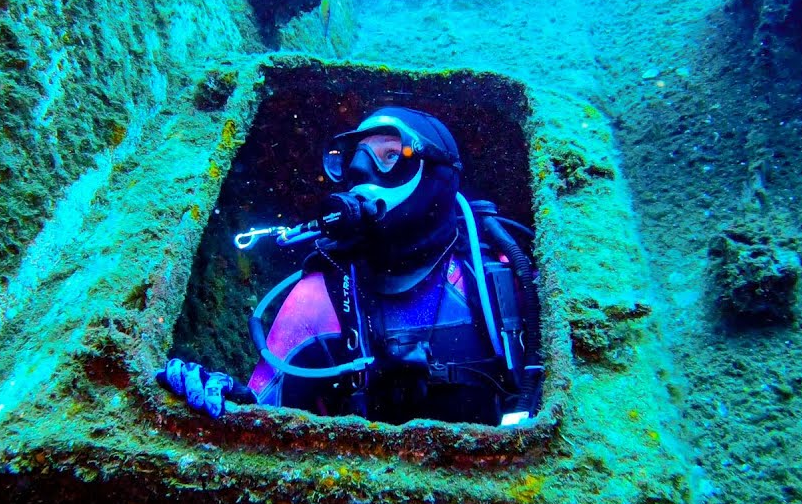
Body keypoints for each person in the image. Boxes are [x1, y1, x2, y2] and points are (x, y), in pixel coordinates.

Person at [158, 107, 542, 426]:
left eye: (389, 155)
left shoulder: (501, 281)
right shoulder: (316, 298)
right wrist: (224, 407)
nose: (360, 170)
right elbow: (259, 417)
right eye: (355, 156)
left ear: (438, 173)